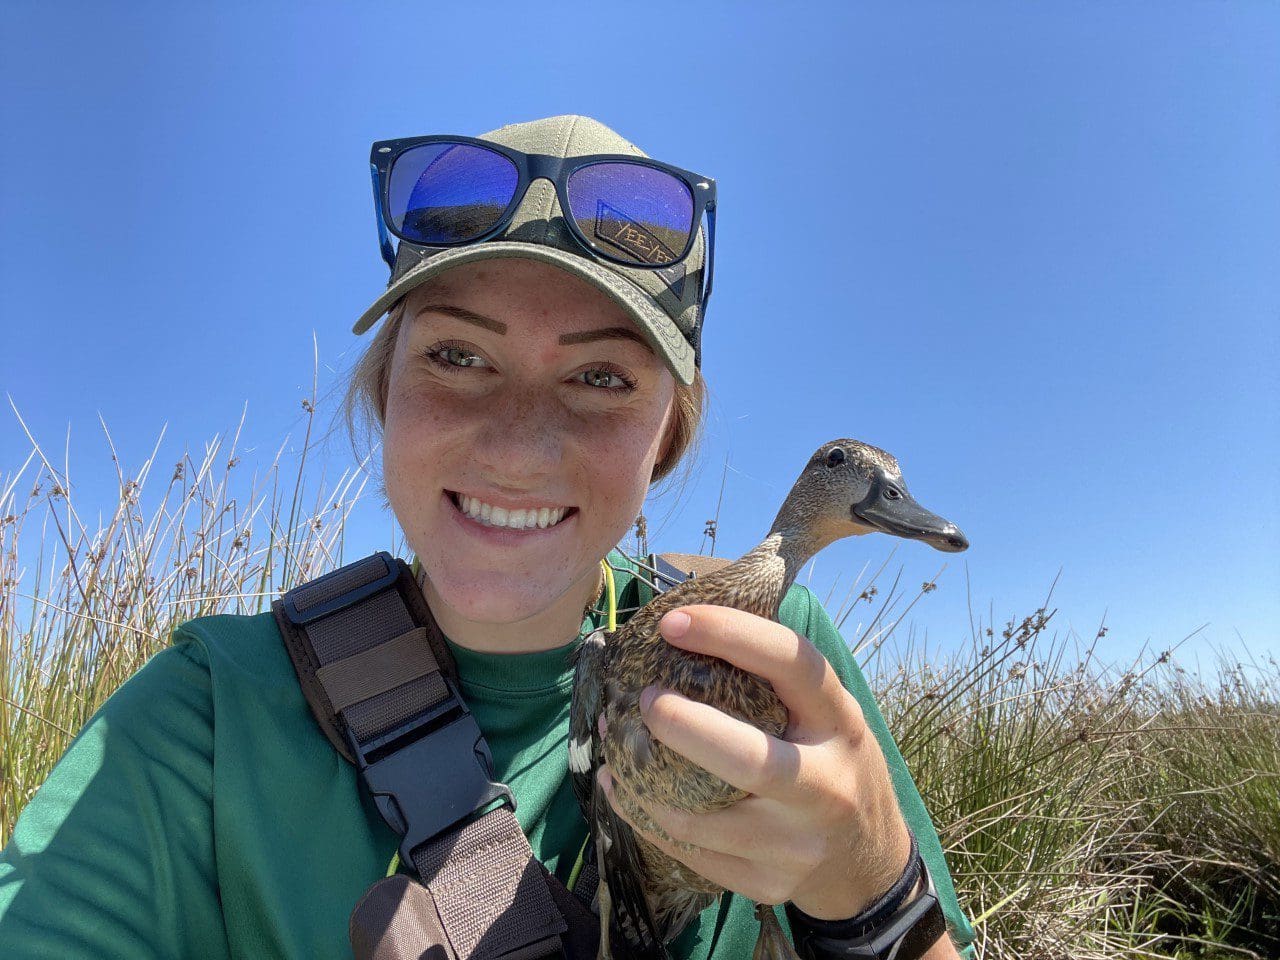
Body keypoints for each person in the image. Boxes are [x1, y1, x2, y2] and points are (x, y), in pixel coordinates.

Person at [0, 114, 976, 959]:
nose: (517, 446)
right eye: (457, 355)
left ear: (664, 440)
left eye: (599, 377)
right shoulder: (205, 717)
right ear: (384, 395)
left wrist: (871, 896)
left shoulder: (785, 647)